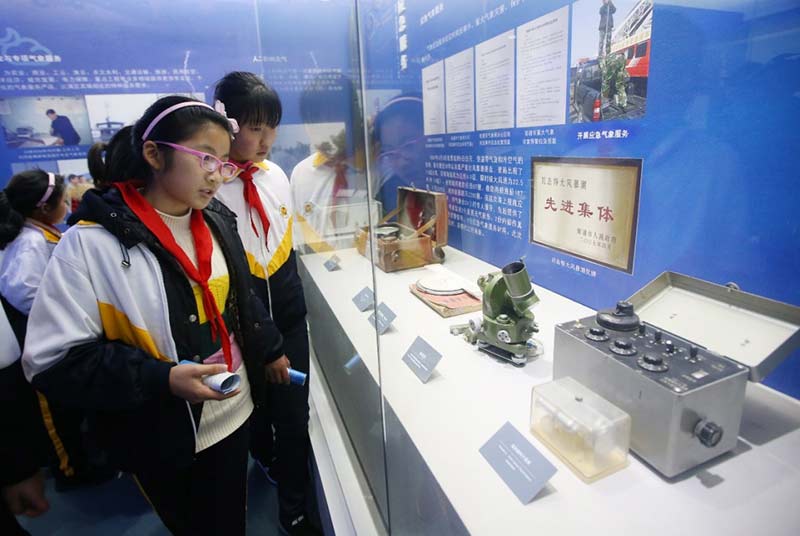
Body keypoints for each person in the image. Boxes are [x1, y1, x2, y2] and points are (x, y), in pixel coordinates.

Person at [22, 95, 287, 536]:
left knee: (230, 520)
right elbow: (51, 361)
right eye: (205, 157)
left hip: (234, 408)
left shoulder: (217, 218)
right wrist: (159, 378)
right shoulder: (92, 244)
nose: (217, 175)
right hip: (163, 429)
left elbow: (240, 297)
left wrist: (271, 348)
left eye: (223, 163)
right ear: (153, 153)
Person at [214, 72, 319, 536]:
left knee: (296, 419)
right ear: (227, 124)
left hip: (291, 323)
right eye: (255, 128)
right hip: (238, 328)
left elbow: (288, 250)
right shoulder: (209, 183)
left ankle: (294, 511)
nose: (266, 140)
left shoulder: (277, 176)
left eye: (272, 127)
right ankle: (264, 454)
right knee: (251, 411)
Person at [0, 169, 111, 494]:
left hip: (50, 330)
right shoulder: (31, 241)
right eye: (64, 201)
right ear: (44, 209)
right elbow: (23, 290)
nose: (68, 205)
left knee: (68, 407)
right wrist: (60, 312)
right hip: (37, 335)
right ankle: (69, 468)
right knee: (54, 411)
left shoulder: (38, 233)